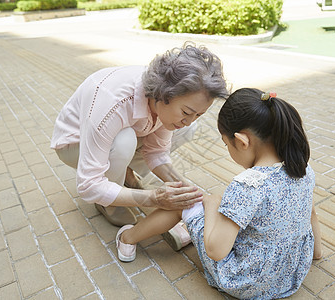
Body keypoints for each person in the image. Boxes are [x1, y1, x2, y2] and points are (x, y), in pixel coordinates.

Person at [115, 88, 323, 299]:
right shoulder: (302, 169)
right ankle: (186, 230)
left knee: (186, 201)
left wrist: (213, 203)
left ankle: (127, 238)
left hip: (242, 280)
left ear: (242, 141)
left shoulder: (248, 185)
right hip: (289, 276)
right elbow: (311, 215)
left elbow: (216, 251)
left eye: (227, 144)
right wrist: (315, 254)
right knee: (221, 210)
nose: (228, 150)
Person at [50, 42, 229, 249]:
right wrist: (154, 198)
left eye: (199, 113)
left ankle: (122, 172)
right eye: (187, 112)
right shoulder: (113, 101)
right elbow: (88, 185)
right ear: (164, 95)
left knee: (185, 129)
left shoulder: (165, 101)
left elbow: (156, 152)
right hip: (74, 144)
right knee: (124, 141)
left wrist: (187, 191)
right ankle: (108, 203)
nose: (189, 119)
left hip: (127, 132)